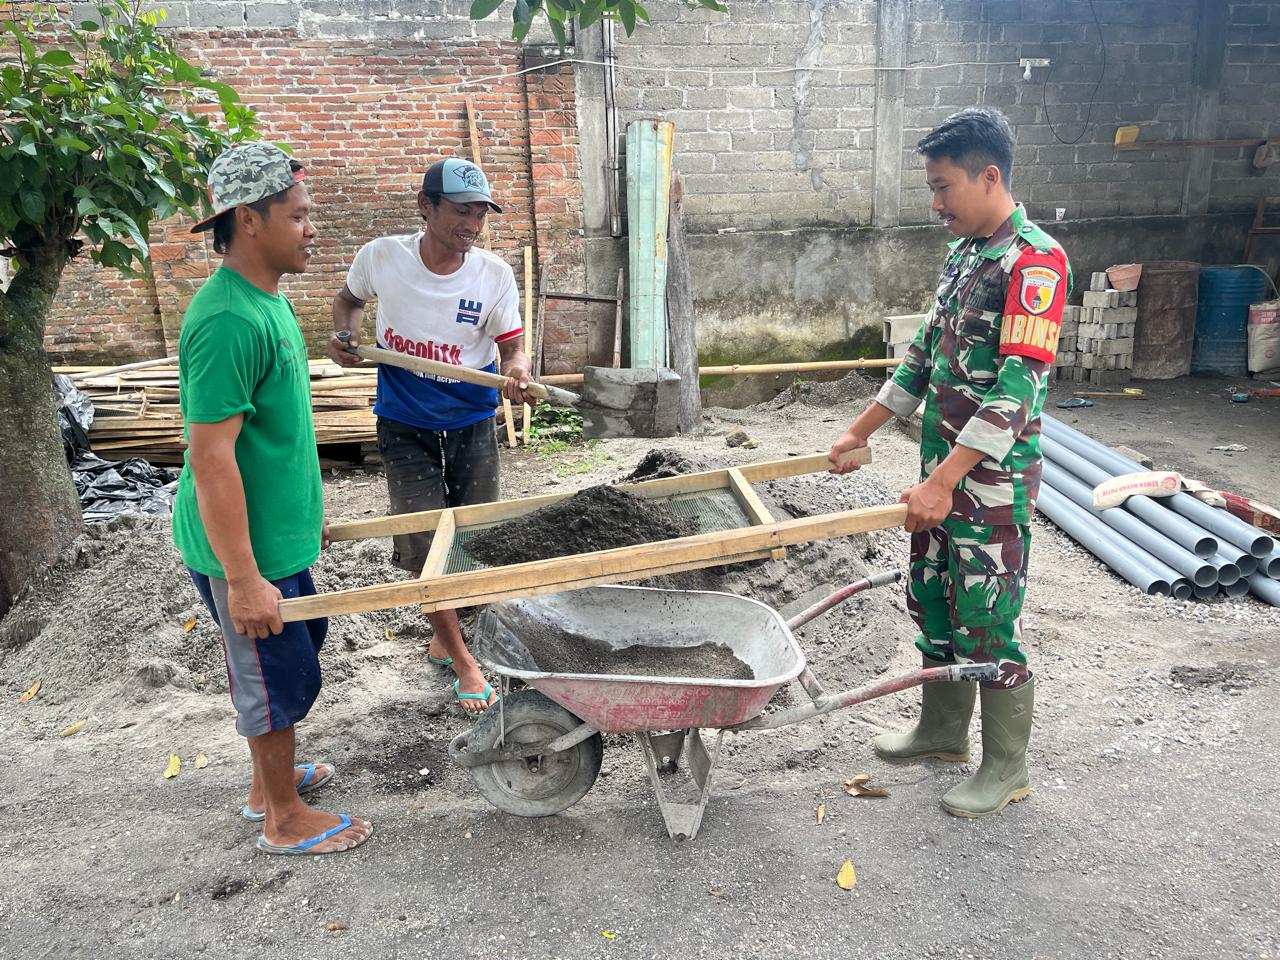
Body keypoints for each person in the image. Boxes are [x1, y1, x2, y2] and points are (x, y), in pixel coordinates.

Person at [828, 107, 1071, 818]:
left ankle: (1007, 767)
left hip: (988, 486)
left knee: (988, 617)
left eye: (943, 188)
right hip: (940, 473)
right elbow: (924, 359)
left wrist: (940, 481)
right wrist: (861, 428)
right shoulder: (966, 253)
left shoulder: (1036, 262)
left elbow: (1018, 389)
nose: (934, 204)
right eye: (931, 189)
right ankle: (940, 732)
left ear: (989, 176)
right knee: (932, 599)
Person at [173, 142, 372, 855]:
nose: (312, 226)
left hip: (275, 536)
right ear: (248, 220)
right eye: (298, 215)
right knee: (270, 677)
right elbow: (211, 456)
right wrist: (243, 578)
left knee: (294, 660)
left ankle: (269, 784)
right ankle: (281, 819)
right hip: (243, 550)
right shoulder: (228, 320)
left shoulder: (269, 298)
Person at [328, 158, 533, 712]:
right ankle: (465, 661)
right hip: (404, 421)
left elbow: (512, 346)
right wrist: (343, 335)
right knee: (424, 539)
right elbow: (347, 304)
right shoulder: (382, 258)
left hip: (471, 421)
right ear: (426, 206)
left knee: (473, 534)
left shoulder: (493, 274)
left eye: (480, 213)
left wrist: (516, 370)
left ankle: (447, 633)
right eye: (461, 211)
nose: (473, 223)